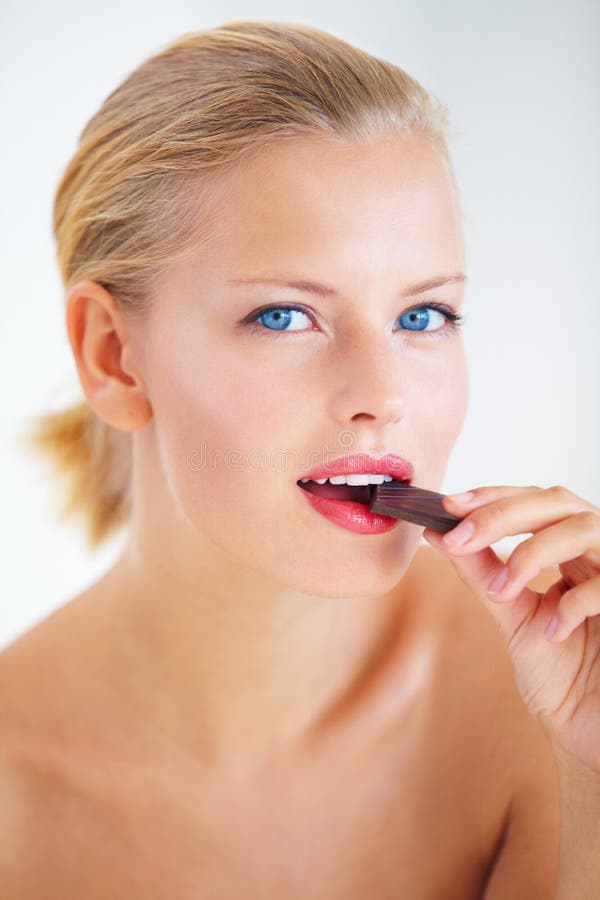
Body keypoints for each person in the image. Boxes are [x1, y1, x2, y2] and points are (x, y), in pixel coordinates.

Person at [2, 20, 599, 898]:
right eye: (285, 315)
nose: (383, 393)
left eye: (424, 315)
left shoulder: (552, 709)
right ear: (114, 358)